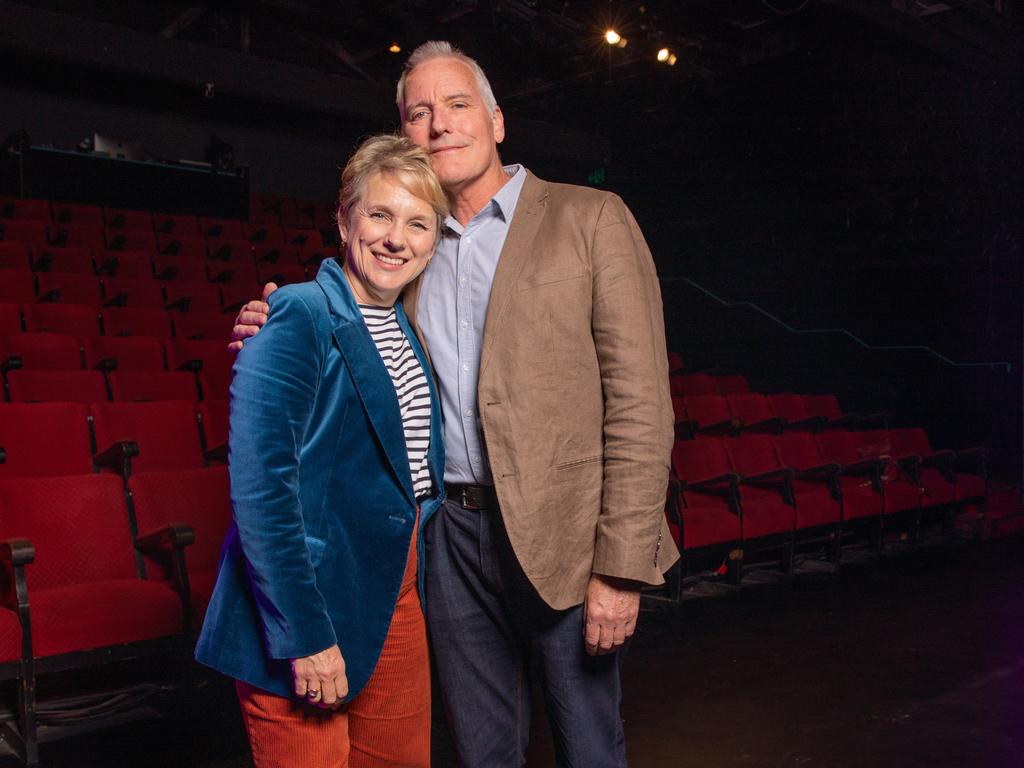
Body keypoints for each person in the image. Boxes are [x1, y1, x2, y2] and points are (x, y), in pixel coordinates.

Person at [231, 41, 677, 768]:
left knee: (590, 748)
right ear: (404, 137)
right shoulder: (412, 245)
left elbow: (641, 405)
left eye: (458, 105)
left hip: (565, 538)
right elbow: (345, 319)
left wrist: (621, 568)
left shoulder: (590, 218)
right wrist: (275, 313)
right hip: (447, 542)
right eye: (420, 113)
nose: (440, 124)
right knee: (479, 751)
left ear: (497, 121)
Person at [196, 134, 448, 768]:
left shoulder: (404, 325)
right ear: (344, 220)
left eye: (418, 223)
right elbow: (262, 489)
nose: (398, 238)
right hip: (309, 596)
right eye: (380, 215)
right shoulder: (299, 313)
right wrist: (304, 632)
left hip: (395, 590)